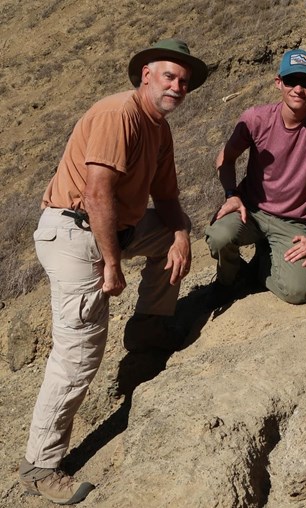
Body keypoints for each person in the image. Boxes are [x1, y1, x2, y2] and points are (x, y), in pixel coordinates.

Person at [19, 39, 208, 504]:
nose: (177, 86)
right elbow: (98, 193)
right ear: (146, 74)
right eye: (169, 76)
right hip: (76, 232)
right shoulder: (116, 114)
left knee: (168, 239)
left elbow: (165, 199)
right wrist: (109, 265)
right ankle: (40, 465)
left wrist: (180, 232)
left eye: (184, 81)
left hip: (112, 228)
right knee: (79, 354)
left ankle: (148, 330)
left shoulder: (158, 129)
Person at [205, 49, 306, 305]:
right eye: (290, 81)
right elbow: (224, 159)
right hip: (249, 211)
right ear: (278, 83)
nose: (298, 88)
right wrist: (231, 195)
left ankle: (260, 269)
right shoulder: (256, 118)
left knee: (296, 293)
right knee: (219, 236)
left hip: (291, 222)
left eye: (305, 82)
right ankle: (228, 281)